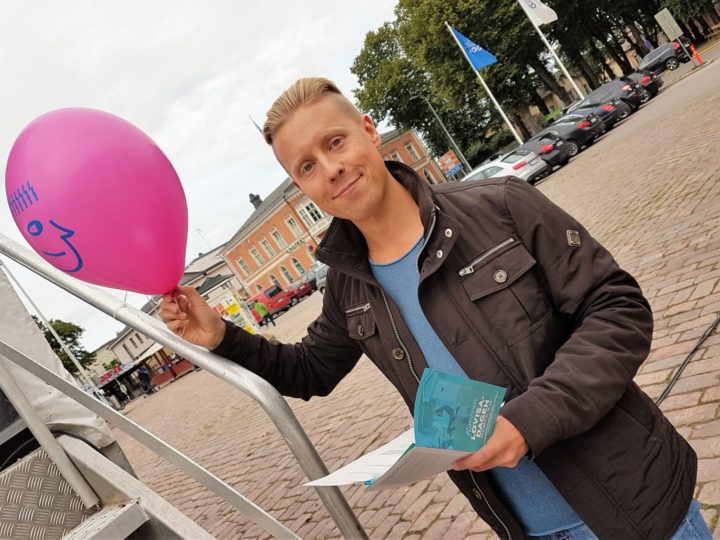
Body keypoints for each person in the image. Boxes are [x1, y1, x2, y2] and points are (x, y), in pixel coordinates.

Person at [160, 78, 706, 539]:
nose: (330, 169)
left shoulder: (501, 206)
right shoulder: (347, 286)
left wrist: (528, 421)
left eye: (335, 142)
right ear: (302, 186)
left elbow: (617, 310)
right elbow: (309, 370)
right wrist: (222, 337)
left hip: (636, 504)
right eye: (306, 166)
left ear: (369, 131)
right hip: (528, 527)